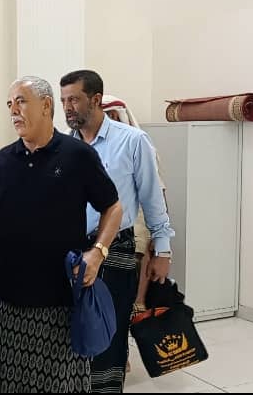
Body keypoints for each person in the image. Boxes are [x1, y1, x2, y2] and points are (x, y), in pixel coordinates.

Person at [0, 76, 123, 393]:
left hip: (59, 300)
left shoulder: (77, 155)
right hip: (10, 300)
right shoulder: (3, 161)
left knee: (60, 385)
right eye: (9, 104)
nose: (13, 110)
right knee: (10, 384)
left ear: (46, 105)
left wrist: (97, 253)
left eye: (21, 101)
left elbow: (113, 207)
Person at [60, 70, 175, 393]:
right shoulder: (63, 146)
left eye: (74, 100)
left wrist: (162, 250)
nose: (67, 107)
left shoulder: (132, 141)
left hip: (114, 250)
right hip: (71, 251)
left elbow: (153, 200)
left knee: (109, 333)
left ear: (96, 100)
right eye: (63, 100)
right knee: (71, 332)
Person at [101, 95, 168, 314]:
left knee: (139, 260)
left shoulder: (139, 144)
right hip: (106, 220)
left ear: (114, 115)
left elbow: (157, 192)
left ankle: (137, 307)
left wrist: (162, 241)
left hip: (136, 216)